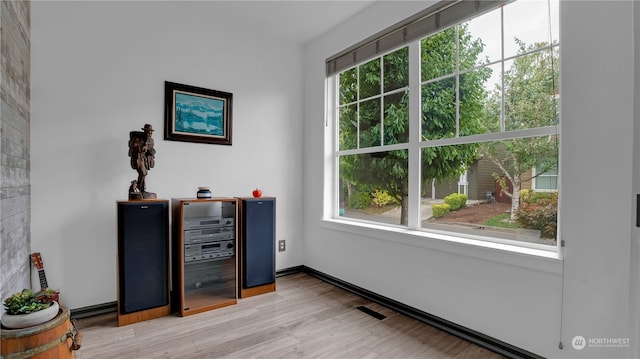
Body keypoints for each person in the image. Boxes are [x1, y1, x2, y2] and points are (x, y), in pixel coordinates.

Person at [128, 124, 156, 196]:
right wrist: (141, 148)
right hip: (138, 158)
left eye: (150, 133)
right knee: (143, 173)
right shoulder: (137, 139)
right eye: (148, 132)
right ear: (144, 131)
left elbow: (151, 149)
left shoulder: (151, 141)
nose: (149, 134)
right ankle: (139, 188)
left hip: (146, 159)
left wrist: (151, 151)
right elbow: (132, 147)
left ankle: (139, 188)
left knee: (144, 173)